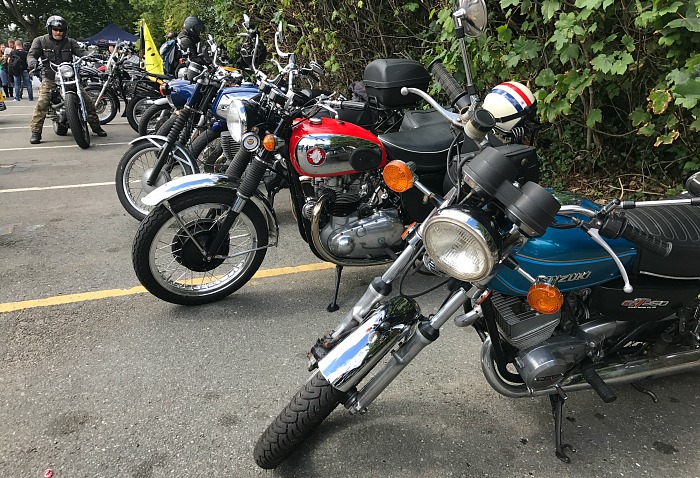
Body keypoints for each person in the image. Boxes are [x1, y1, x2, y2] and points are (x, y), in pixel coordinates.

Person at [26, 15, 106, 144]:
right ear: (49, 29)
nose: (58, 32)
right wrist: (32, 62)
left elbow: (81, 52)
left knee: (88, 101)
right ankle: (36, 132)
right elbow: (31, 55)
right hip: (50, 77)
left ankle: (96, 127)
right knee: (42, 102)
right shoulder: (40, 41)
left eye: (61, 30)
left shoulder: (70, 42)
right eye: (55, 29)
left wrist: (90, 56)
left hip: (69, 78)